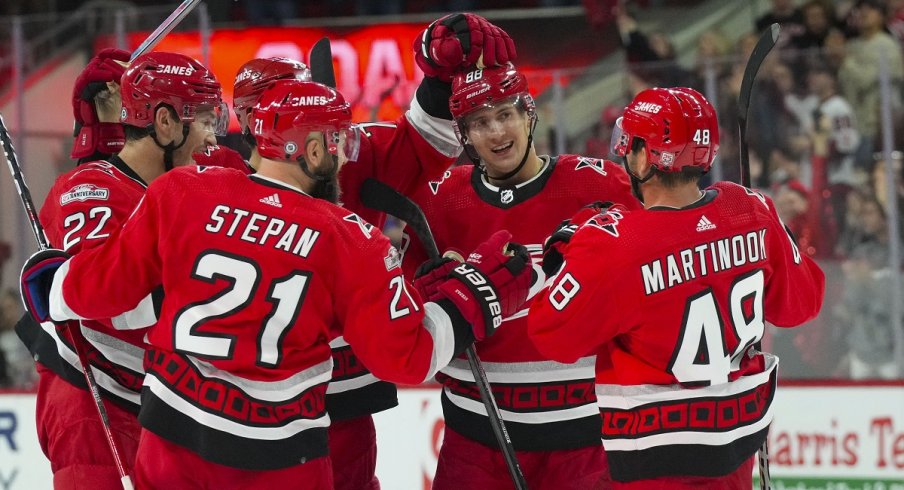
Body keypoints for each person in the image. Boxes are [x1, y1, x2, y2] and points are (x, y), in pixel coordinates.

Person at [19, 78, 532, 489]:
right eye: (338, 142)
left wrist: (51, 283)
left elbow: (98, 289)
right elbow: (409, 354)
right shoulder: (349, 236)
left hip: (173, 439)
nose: (344, 154)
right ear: (311, 151)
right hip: (281, 458)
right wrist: (473, 297)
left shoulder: (182, 192)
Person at [228, 14, 516, 489]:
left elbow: (424, 141)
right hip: (248, 397)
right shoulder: (211, 179)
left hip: (302, 392)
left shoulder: (208, 182)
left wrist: (442, 75)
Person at [527, 87, 826, 488]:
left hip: (653, 457)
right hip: (736, 448)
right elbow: (802, 305)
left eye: (629, 145)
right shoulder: (751, 209)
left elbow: (551, 337)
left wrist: (567, 252)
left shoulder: (614, 243)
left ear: (646, 156)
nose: (623, 154)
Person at [401, 62, 637, 489]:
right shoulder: (438, 201)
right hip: (475, 437)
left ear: (529, 113)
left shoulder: (601, 184)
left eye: (505, 114)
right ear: (464, 135)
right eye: (480, 122)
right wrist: (428, 293)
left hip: (585, 434)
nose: (495, 132)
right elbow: (403, 322)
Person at [15, 50, 226, 488]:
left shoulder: (179, 188)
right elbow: (101, 299)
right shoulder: (91, 189)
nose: (214, 140)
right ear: (165, 123)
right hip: (91, 402)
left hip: (150, 400)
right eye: (206, 121)